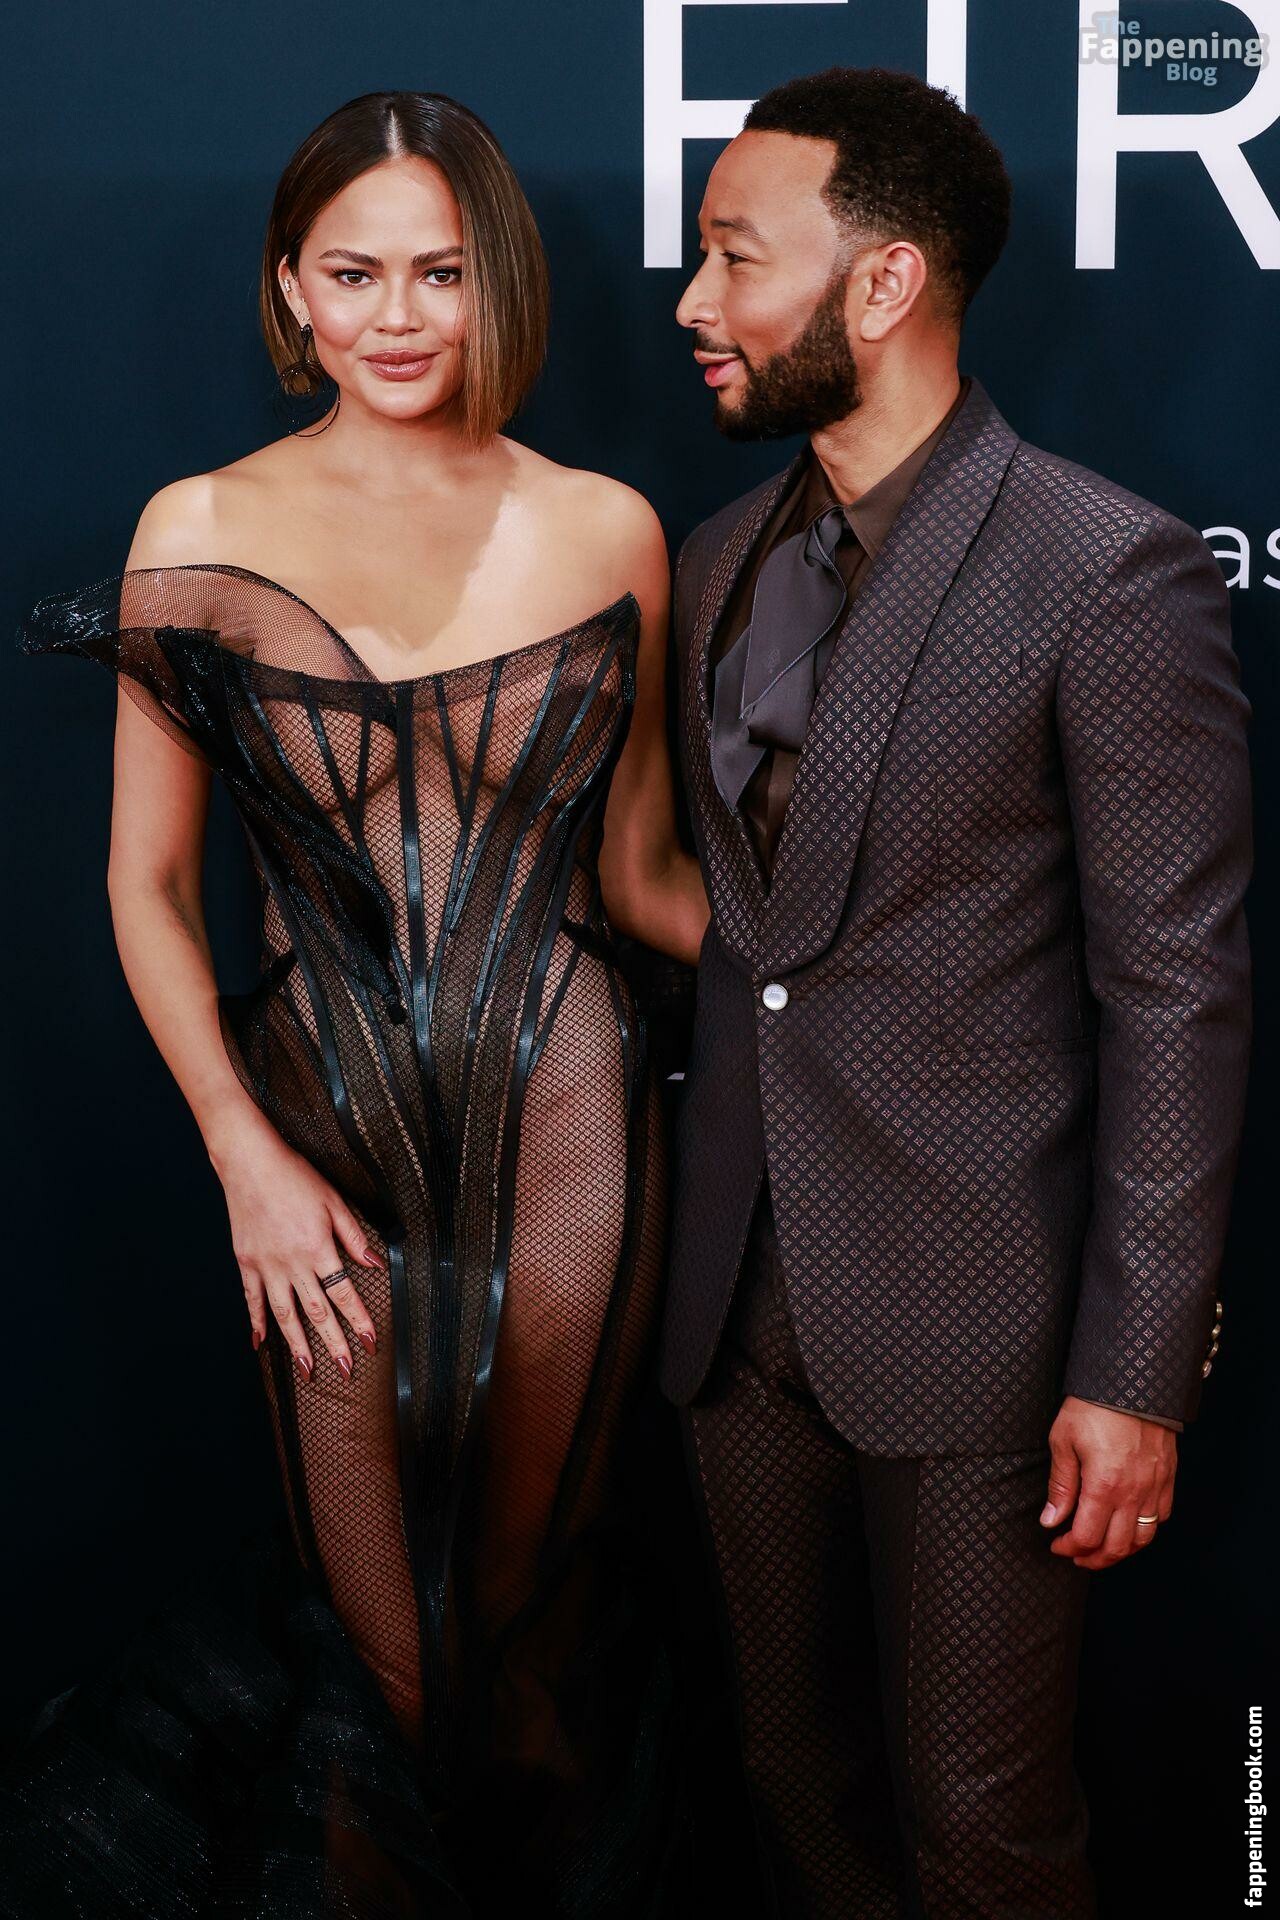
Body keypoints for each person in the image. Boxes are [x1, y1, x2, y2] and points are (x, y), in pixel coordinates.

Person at [7, 89, 708, 1918]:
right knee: (381, 1659)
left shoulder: (608, 528)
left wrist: (895, 975)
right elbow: (144, 887)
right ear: (290, 289)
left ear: (499, 286)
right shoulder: (200, 523)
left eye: (441, 274)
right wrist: (241, 1155)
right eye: (354, 273)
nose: (398, 316)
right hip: (308, 1136)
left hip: (572, 1127)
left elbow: (644, 875)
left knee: (519, 1626)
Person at [661, 65, 1251, 1917]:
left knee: (982, 1831)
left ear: (886, 282)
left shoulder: (1104, 566)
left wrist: (1136, 1375)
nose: (691, 302)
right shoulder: (713, 560)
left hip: (984, 1318)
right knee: (793, 1785)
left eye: (734, 257)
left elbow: (1176, 997)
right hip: (732, 1307)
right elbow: (756, 939)